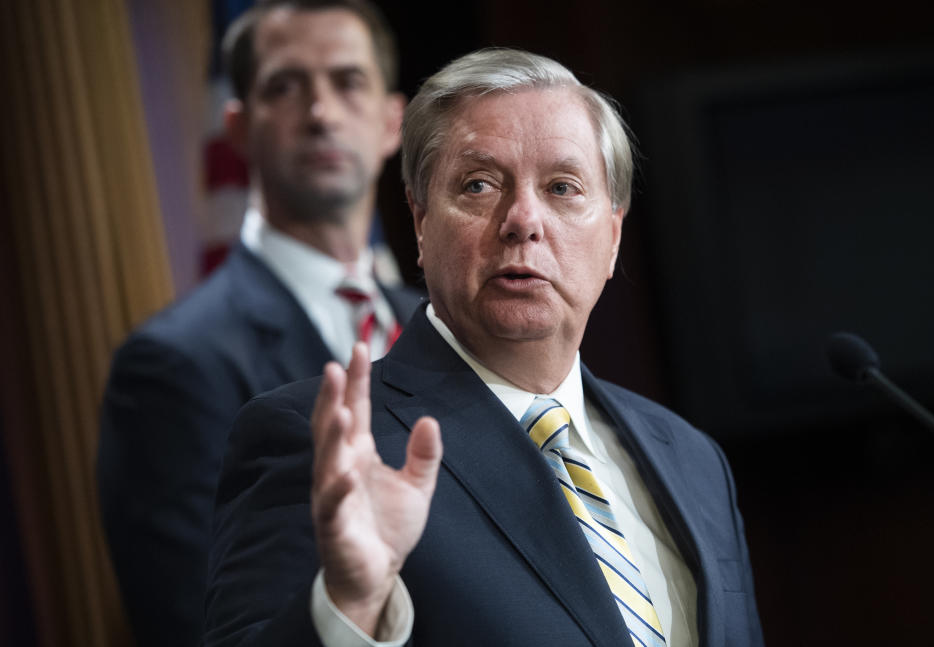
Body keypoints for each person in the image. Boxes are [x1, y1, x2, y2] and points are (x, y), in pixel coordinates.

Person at [204, 48, 764, 647]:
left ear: (613, 235)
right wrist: (348, 605)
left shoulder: (694, 461)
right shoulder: (326, 443)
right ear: (420, 223)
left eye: (562, 187)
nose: (523, 219)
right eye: (478, 184)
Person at [96, 2, 422, 646]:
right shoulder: (172, 366)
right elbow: (195, 627)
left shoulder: (442, 324)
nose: (322, 113)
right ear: (238, 128)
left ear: (393, 123)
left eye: (348, 81)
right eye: (285, 86)